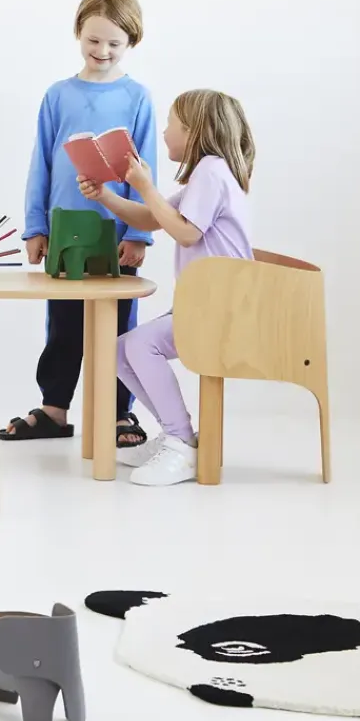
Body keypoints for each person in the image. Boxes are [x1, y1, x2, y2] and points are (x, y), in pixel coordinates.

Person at [1, 0, 158, 448]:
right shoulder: (58, 95)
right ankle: (54, 408)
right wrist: (36, 227)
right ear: (78, 34)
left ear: (131, 42)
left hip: (118, 232)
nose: (102, 51)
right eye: (93, 40)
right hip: (65, 230)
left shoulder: (138, 97)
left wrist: (138, 234)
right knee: (63, 324)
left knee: (118, 327)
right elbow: (41, 164)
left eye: (114, 43)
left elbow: (146, 168)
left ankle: (117, 413)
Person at [83, 89, 255, 485]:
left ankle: (180, 442)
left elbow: (187, 233)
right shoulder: (207, 175)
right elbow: (151, 218)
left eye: (170, 125)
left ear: (193, 131)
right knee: (121, 349)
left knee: (140, 345)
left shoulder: (212, 171)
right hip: (207, 304)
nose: (163, 133)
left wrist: (145, 185)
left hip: (220, 307)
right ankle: (178, 436)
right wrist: (106, 194)